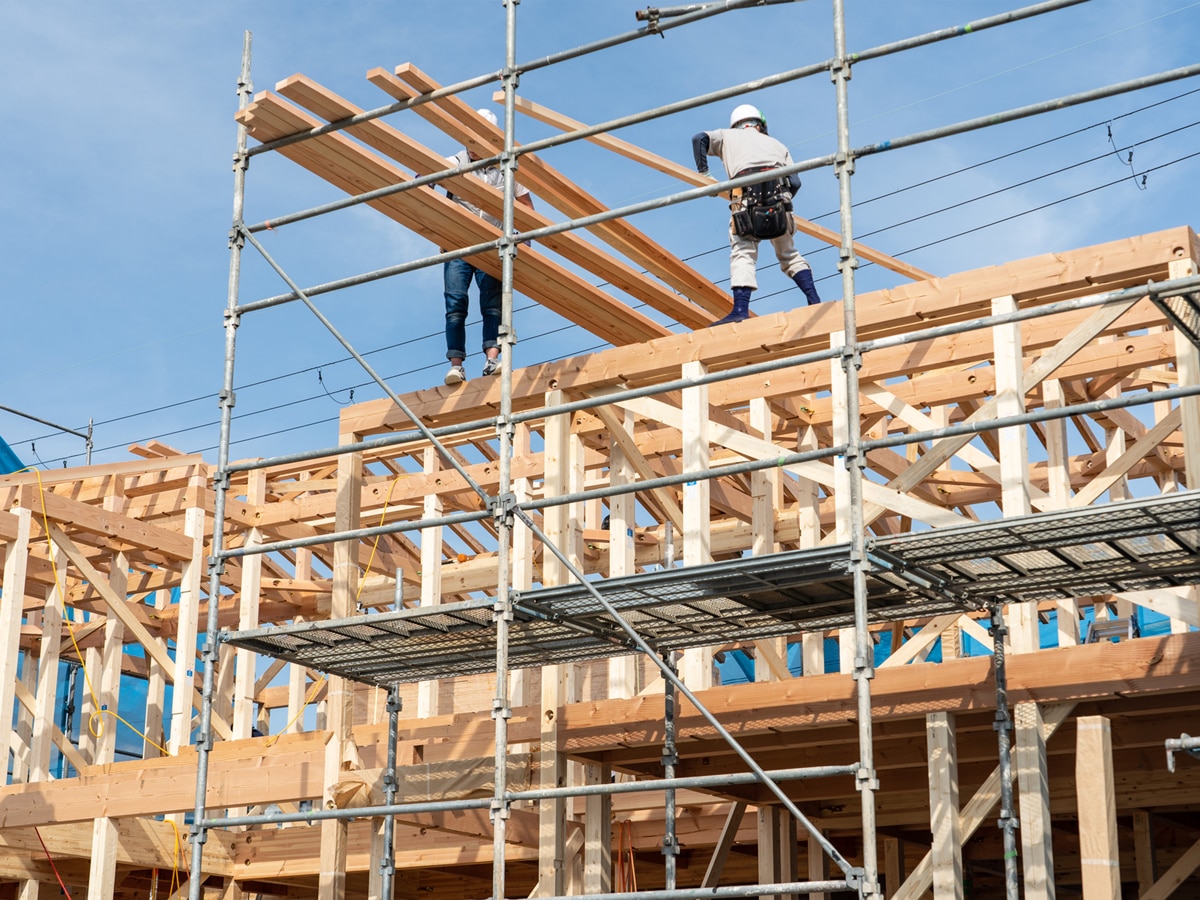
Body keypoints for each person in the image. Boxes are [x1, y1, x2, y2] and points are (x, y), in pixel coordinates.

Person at [692, 104, 822, 326]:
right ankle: (815, 302)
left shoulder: (726, 136)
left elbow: (699, 139)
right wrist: (783, 201)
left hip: (745, 202)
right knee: (789, 254)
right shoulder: (777, 144)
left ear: (736, 123)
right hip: (780, 201)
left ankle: (740, 310)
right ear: (760, 124)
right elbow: (795, 182)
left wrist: (705, 175)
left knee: (743, 252)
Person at [442, 108, 535, 386]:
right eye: (469, 141)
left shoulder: (506, 168)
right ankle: (456, 365)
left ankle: (491, 359)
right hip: (458, 244)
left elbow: (527, 207)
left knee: (492, 305)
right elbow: (424, 175)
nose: (472, 148)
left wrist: (525, 241)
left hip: (492, 242)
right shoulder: (454, 161)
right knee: (456, 304)